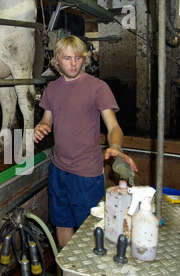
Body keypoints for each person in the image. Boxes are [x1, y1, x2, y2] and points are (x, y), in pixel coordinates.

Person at [34, 35, 138, 249]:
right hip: (58, 169)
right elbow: (47, 119)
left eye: (78, 58)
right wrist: (41, 127)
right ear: (56, 61)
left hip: (86, 173)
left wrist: (115, 147)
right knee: (61, 224)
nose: (73, 63)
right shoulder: (52, 89)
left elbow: (114, 127)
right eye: (67, 58)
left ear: (85, 60)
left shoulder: (97, 87)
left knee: (90, 230)